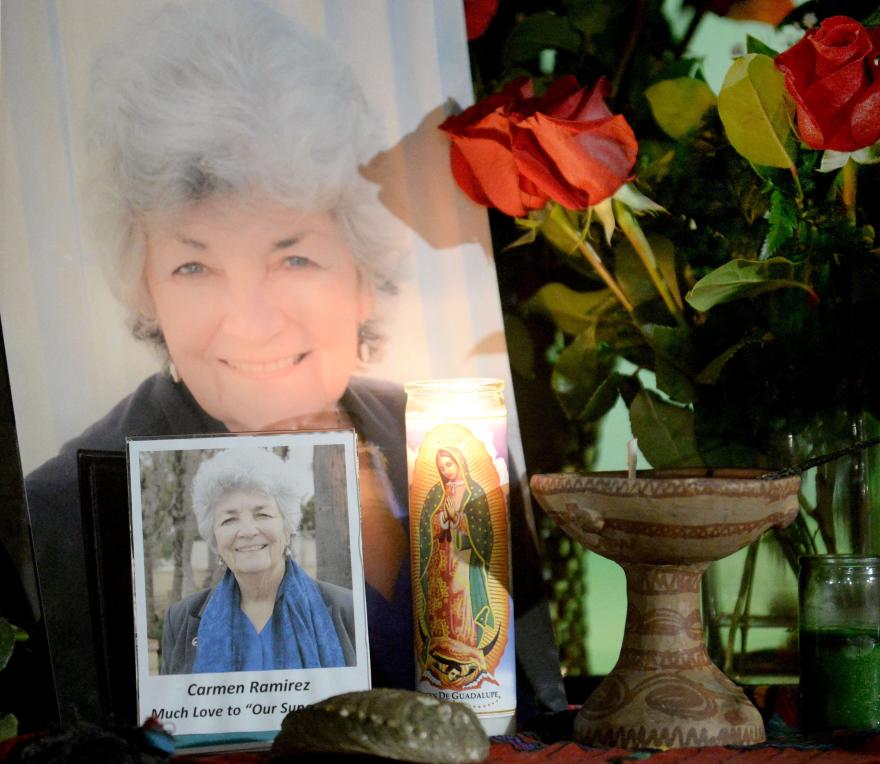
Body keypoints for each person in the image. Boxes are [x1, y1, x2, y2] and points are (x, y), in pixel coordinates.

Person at [23, 0, 564, 722]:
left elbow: (534, 707)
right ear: (145, 286)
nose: (249, 320)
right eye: (192, 266)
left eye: (294, 256)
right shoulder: (56, 515)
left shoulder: (455, 444)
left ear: (362, 269)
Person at [161, 448, 355, 674]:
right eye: (229, 520)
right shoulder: (181, 619)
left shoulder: (346, 610)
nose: (247, 531)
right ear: (214, 536)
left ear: (287, 527)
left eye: (262, 515)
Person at [418, 447, 497, 688]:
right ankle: (442, 646)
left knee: (461, 601)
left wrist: (460, 520)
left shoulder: (474, 492)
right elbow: (426, 524)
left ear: (460, 463)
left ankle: (465, 647)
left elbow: (483, 529)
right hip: (441, 557)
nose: (445, 471)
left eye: (449, 465)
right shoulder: (436, 493)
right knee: (442, 602)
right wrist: (441, 520)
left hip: (463, 557)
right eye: (441, 467)